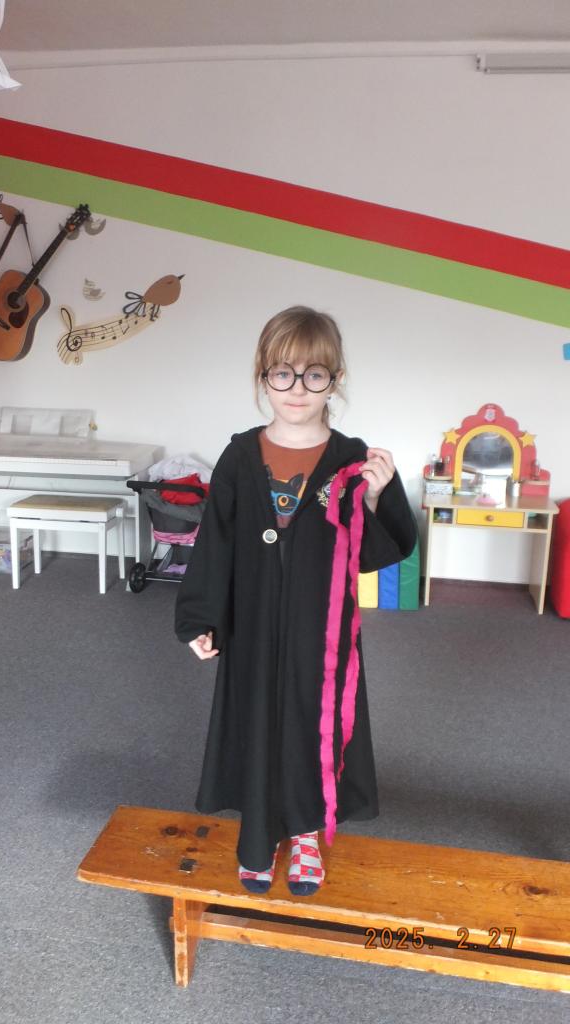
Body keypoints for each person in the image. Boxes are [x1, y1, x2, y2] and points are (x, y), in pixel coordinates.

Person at [175, 306, 416, 896]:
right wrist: (202, 618)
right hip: (253, 621)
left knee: (314, 722)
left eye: (314, 374)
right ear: (263, 378)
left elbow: (374, 552)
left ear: (335, 380)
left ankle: (306, 831)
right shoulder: (240, 455)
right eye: (282, 373)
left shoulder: (351, 459)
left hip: (322, 628)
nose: (297, 388)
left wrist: (377, 497)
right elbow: (216, 543)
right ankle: (258, 837)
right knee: (256, 721)